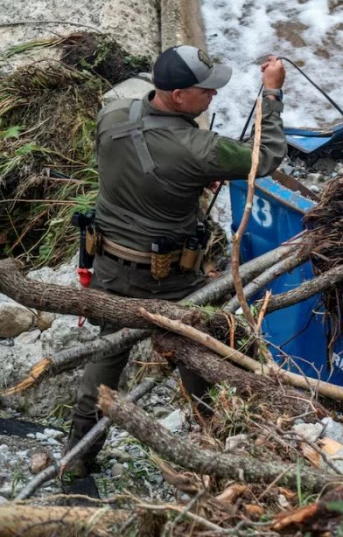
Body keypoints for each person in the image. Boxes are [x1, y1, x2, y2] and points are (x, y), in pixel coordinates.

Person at [65, 45, 288, 474]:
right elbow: (267, 157)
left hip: (108, 265)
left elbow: (142, 164)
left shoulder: (114, 114)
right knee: (203, 339)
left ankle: (76, 457)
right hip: (167, 278)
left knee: (107, 354)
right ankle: (209, 441)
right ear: (178, 95)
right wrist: (272, 94)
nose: (213, 97)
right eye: (206, 91)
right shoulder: (197, 148)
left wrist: (185, 178)